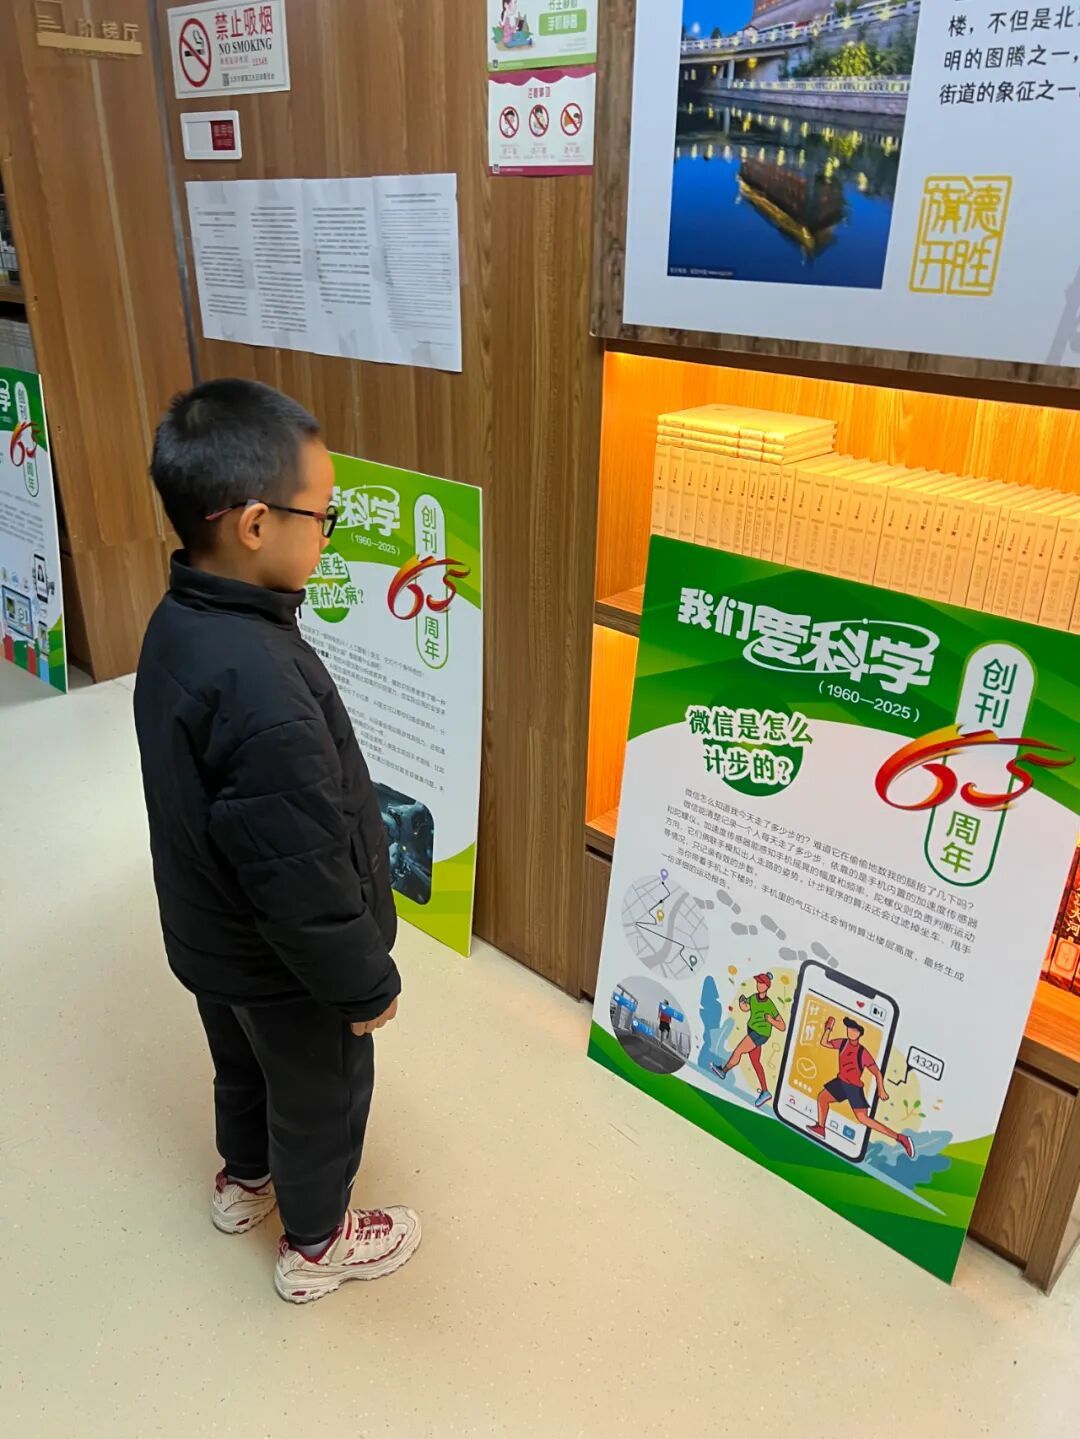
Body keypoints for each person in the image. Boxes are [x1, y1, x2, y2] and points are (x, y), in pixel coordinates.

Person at [134, 379, 422, 1305]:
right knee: (320, 1093)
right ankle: (316, 1242)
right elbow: (297, 872)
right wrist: (362, 982)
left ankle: (244, 1181)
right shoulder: (260, 685)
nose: (327, 534)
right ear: (256, 524)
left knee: (241, 1064)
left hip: (211, 942)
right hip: (288, 967)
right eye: (322, 515)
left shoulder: (179, 622)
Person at [807, 1016, 916, 1158]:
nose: (850, 1032)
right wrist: (828, 1028)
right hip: (840, 1082)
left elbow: (877, 1072)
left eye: (854, 1030)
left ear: (859, 1034)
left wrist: (881, 1089)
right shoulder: (843, 1043)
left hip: (853, 1088)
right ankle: (821, 1128)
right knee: (822, 1097)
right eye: (849, 1029)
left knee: (863, 1119)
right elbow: (824, 1043)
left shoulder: (862, 1052)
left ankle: (900, 1138)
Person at [710, 971, 785, 1107]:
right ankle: (765, 1091)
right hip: (752, 1030)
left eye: (761, 983)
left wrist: (771, 1020)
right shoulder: (754, 998)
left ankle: (723, 1071)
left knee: (738, 1051)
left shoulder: (769, 1004)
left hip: (760, 1033)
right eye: (758, 982)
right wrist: (742, 1002)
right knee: (756, 1062)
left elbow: (782, 1026)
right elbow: (745, 1008)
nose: (758, 985)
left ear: (767, 986)